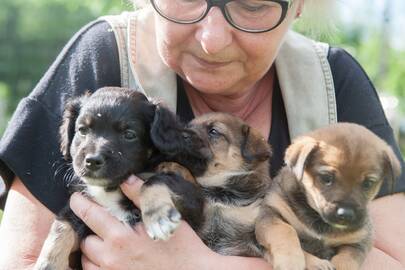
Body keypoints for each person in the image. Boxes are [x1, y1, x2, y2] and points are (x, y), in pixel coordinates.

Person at [0, 0, 404, 269]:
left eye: (252, 4)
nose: (212, 40)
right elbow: (23, 258)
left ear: (298, 6)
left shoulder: (334, 83)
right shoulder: (103, 57)